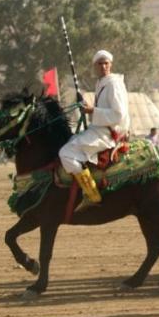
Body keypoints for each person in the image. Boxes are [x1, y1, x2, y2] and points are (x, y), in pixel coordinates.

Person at [59, 50, 130, 204]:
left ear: (111, 65)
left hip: (108, 134)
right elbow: (102, 111)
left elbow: (119, 114)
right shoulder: (101, 83)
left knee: (65, 153)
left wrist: (92, 110)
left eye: (106, 63)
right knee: (69, 140)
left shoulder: (113, 84)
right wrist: (87, 108)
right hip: (98, 129)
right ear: (95, 67)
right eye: (100, 63)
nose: (104, 66)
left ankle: (91, 194)